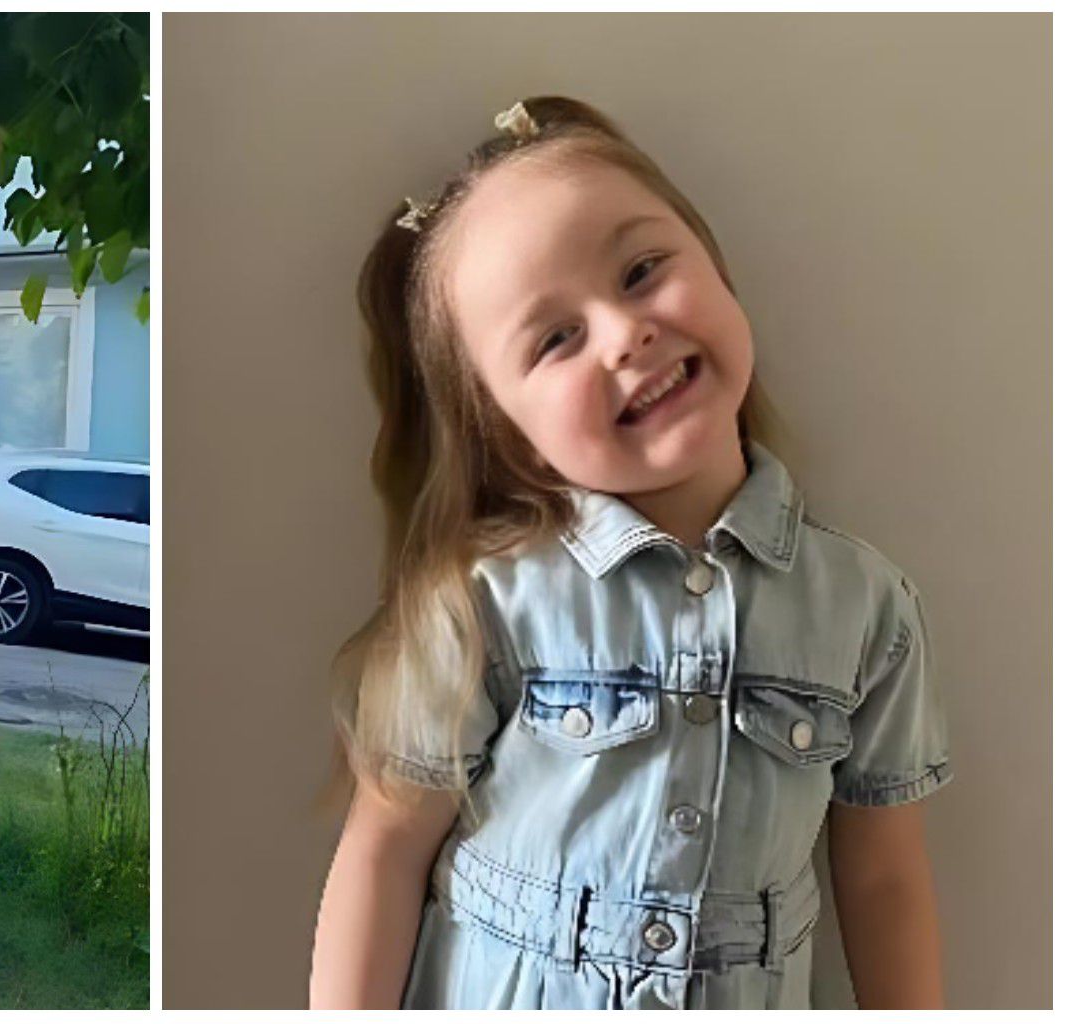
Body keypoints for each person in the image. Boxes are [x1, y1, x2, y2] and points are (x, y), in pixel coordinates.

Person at [307, 96, 952, 1010]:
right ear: (516, 437)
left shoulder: (866, 609)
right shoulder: (483, 605)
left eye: (644, 271)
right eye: (556, 339)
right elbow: (383, 851)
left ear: (717, 270)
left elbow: (884, 878)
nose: (625, 334)